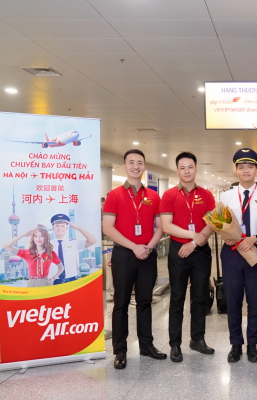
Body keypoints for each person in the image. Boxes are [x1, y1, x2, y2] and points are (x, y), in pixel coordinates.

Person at [102, 149, 166, 369]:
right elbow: (108, 228)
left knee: (145, 301)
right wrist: (134, 247)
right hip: (124, 255)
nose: (135, 166)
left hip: (147, 254)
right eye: (131, 162)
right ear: (124, 166)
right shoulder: (114, 195)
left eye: (139, 162)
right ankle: (120, 350)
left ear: (144, 166)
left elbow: (160, 227)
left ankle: (146, 345)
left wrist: (148, 246)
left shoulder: (153, 196)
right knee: (120, 303)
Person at [160, 152, 216, 362]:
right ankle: (175, 343)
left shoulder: (207, 195)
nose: (186, 171)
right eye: (182, 167)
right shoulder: (169, 195)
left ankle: (197, 339)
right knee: (177, 298)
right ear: (177, 170)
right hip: (179, 251)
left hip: (200, 251)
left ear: (196, 169)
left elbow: (213, 223)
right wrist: (193, 236)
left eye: (190, 167)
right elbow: (167, 226)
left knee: (200, 297)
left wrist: (194, 242)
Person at [220, 148, 257, 363]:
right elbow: (219, 222)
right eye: (241, 167)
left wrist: (256, 237)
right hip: (231, 253)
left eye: (250, 167)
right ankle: (235, 345)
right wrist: (225, 236)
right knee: (233, 301)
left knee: (254, 301)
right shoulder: (225, 195)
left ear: (256, 170)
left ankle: (252, 344)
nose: (246, 170)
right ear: (236, 170)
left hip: (256, 252)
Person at [50, 214, 97, 285]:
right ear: (53, 227)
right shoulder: (47, 244)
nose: (60, 228)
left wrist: (77, 228)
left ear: (66, 228)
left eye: (62, 226)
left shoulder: (74, 242)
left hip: (71, 280)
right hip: (53, 281)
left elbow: (93, 241)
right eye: (57, 226)